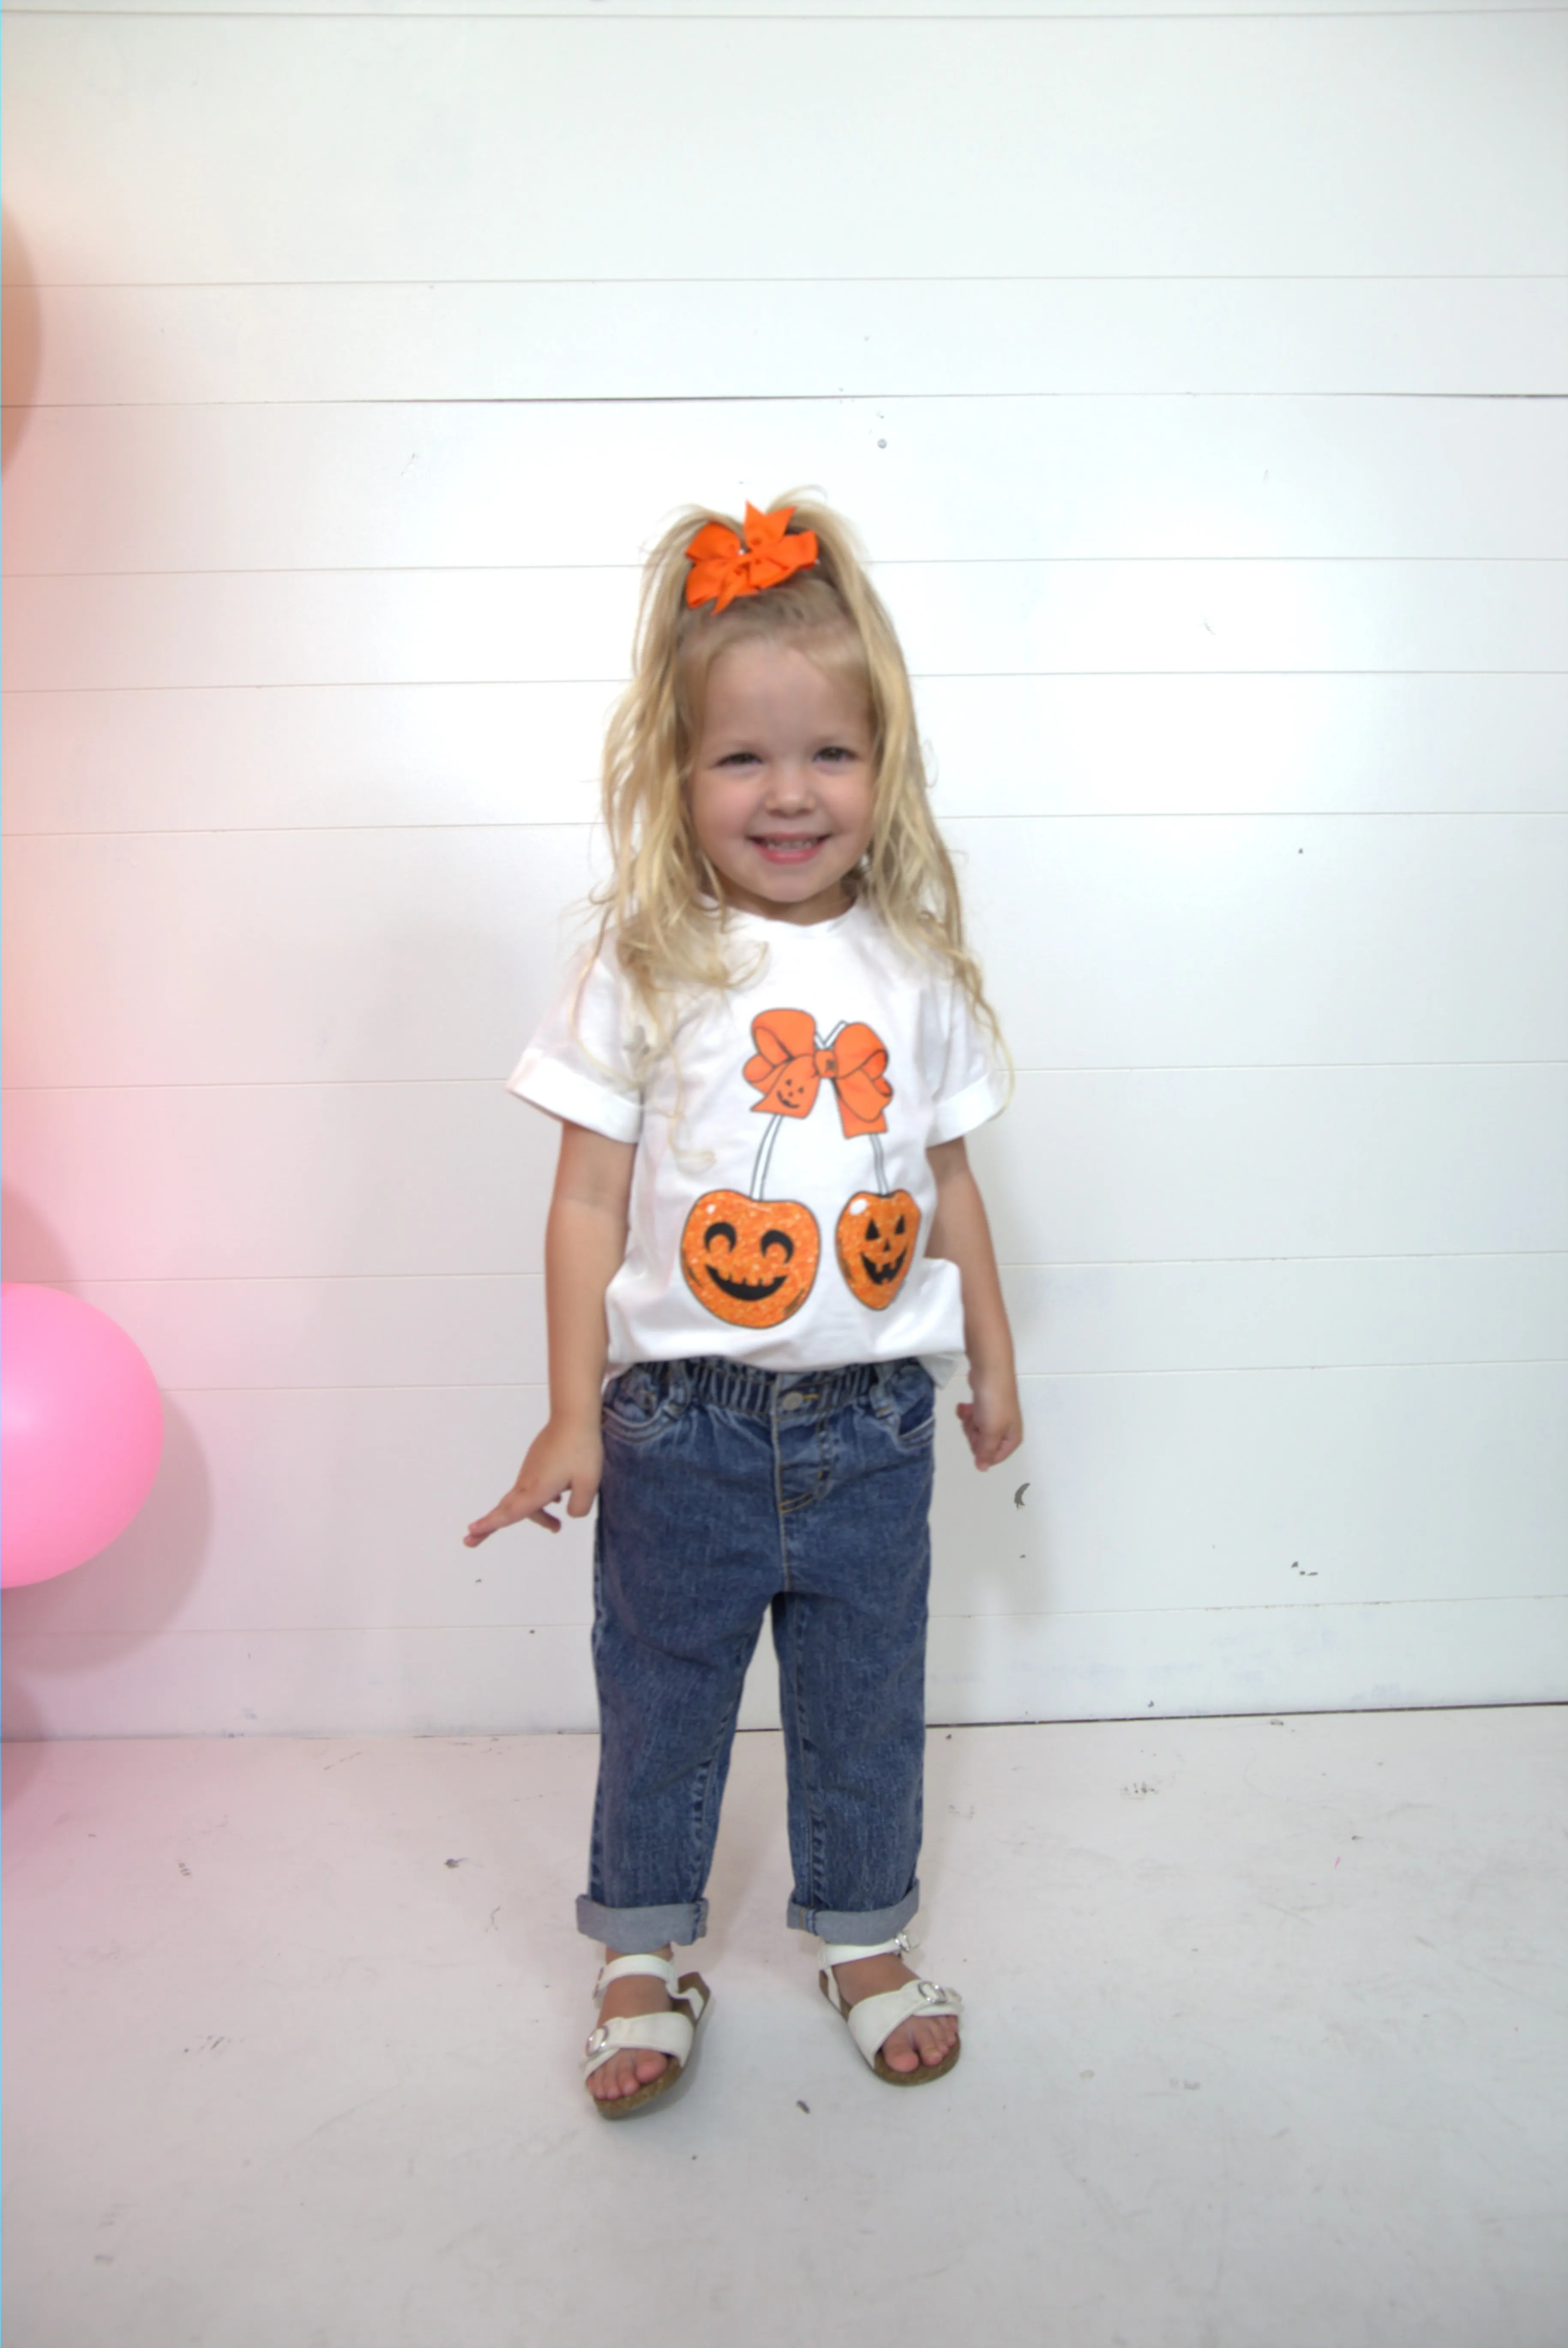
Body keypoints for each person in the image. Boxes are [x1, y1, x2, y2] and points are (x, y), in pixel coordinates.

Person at [466, 495, 1022, 2117]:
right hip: (683, 1426)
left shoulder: (916, 969)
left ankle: (860, 1930)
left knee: (866, 1688)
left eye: (831, 755)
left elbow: (954, 1186)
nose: (790, 795)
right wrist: (574, 1406)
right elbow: (583, 1201)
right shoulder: (650, 959)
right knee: (663, 1694)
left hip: (874, 1419)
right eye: (743, 761)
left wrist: (988, 1353)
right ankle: (644, 1946)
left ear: (884, 765)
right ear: (677, 772)